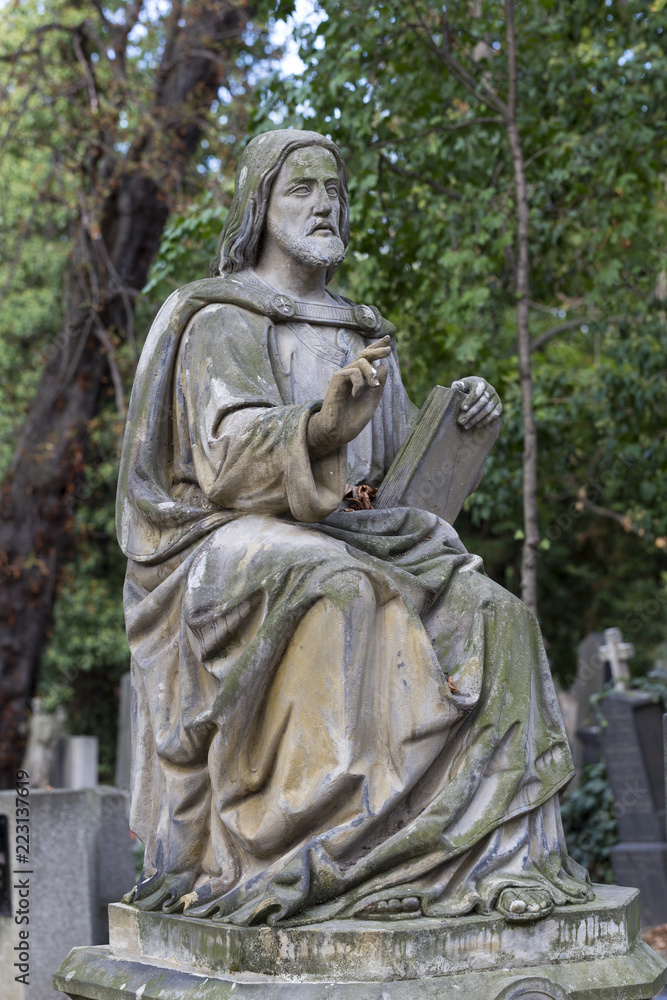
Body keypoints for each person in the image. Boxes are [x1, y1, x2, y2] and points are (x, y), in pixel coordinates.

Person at [116, 129, 592, 927]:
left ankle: (494, 859)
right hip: (223, 540)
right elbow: (228, 466)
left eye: (334, 188)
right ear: (260, 203)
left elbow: (398, 482)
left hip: (359, 533)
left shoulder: (359, 327)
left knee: (498, 616)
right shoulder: (221, 317)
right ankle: (314, 844)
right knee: (337, 584)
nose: (324, 202)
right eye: (302, 187)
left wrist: (461, 419)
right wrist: (318, 426)